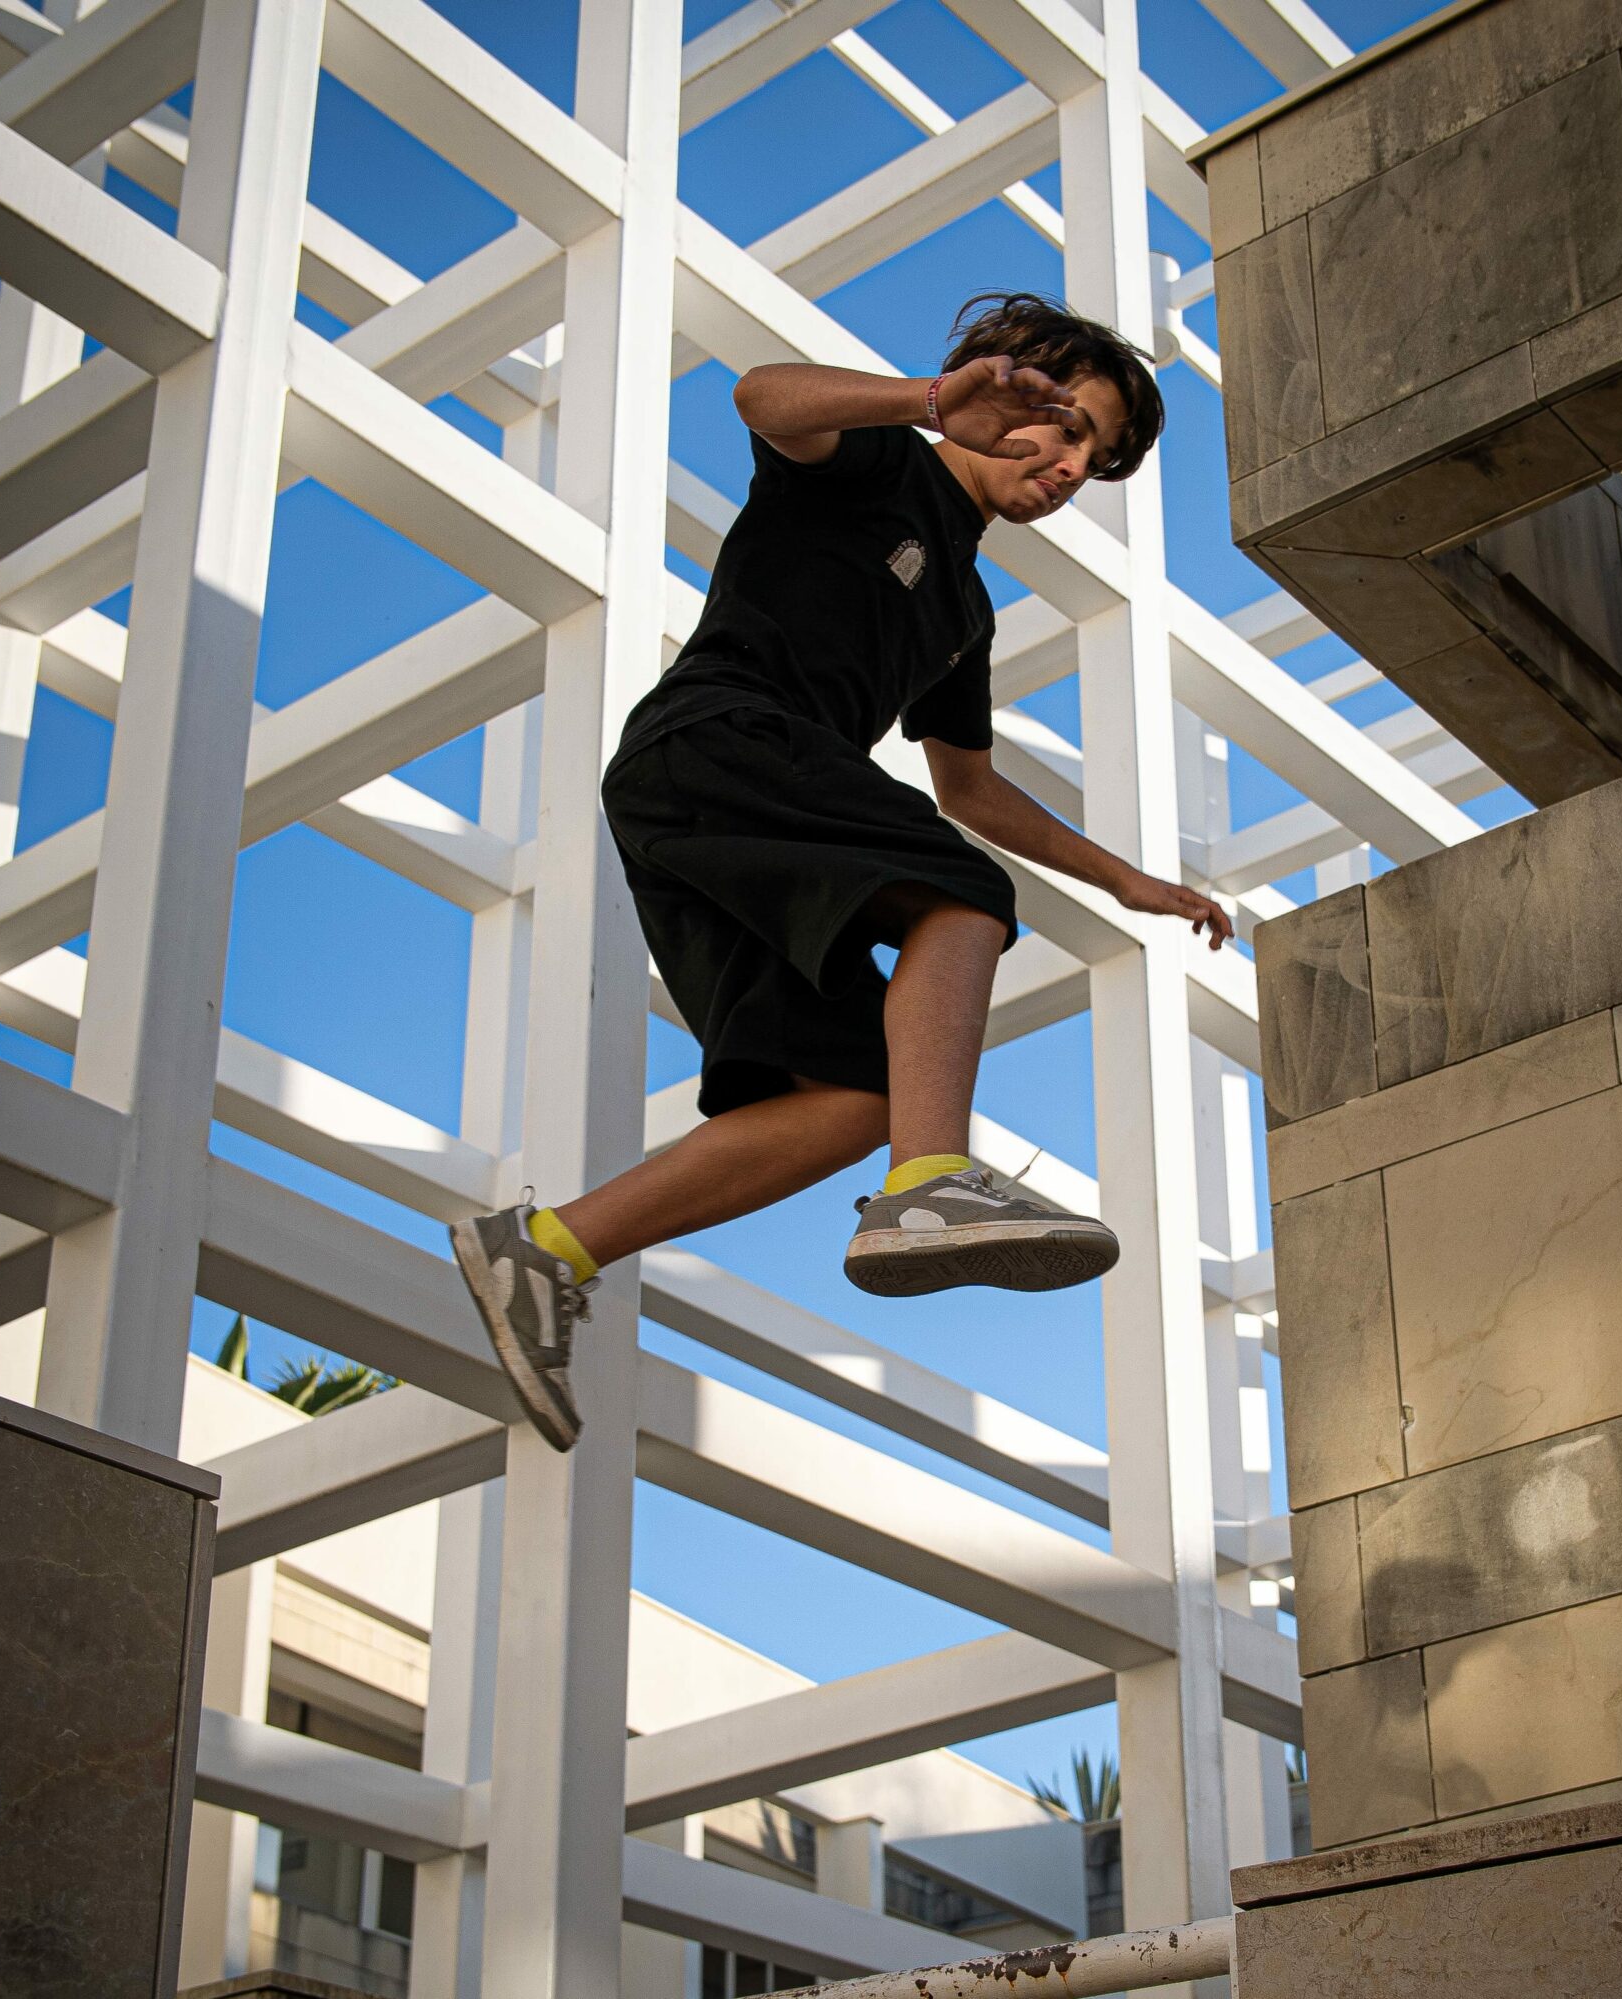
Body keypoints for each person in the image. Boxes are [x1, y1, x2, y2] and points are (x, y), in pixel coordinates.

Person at [451, 292, 1232, 1449]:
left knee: (853, 1095)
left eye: (1093, 452)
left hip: (708, 807)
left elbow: (965, 787)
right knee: (961, 899)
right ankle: (931, 1186)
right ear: (986, 381)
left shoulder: (964, 608)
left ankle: (549, 1248)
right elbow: (761, 398)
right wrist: (927, 405)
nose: (1069, 463)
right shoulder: (873, 461)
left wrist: (1129, 882)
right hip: (720, 740)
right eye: (1061, 423)